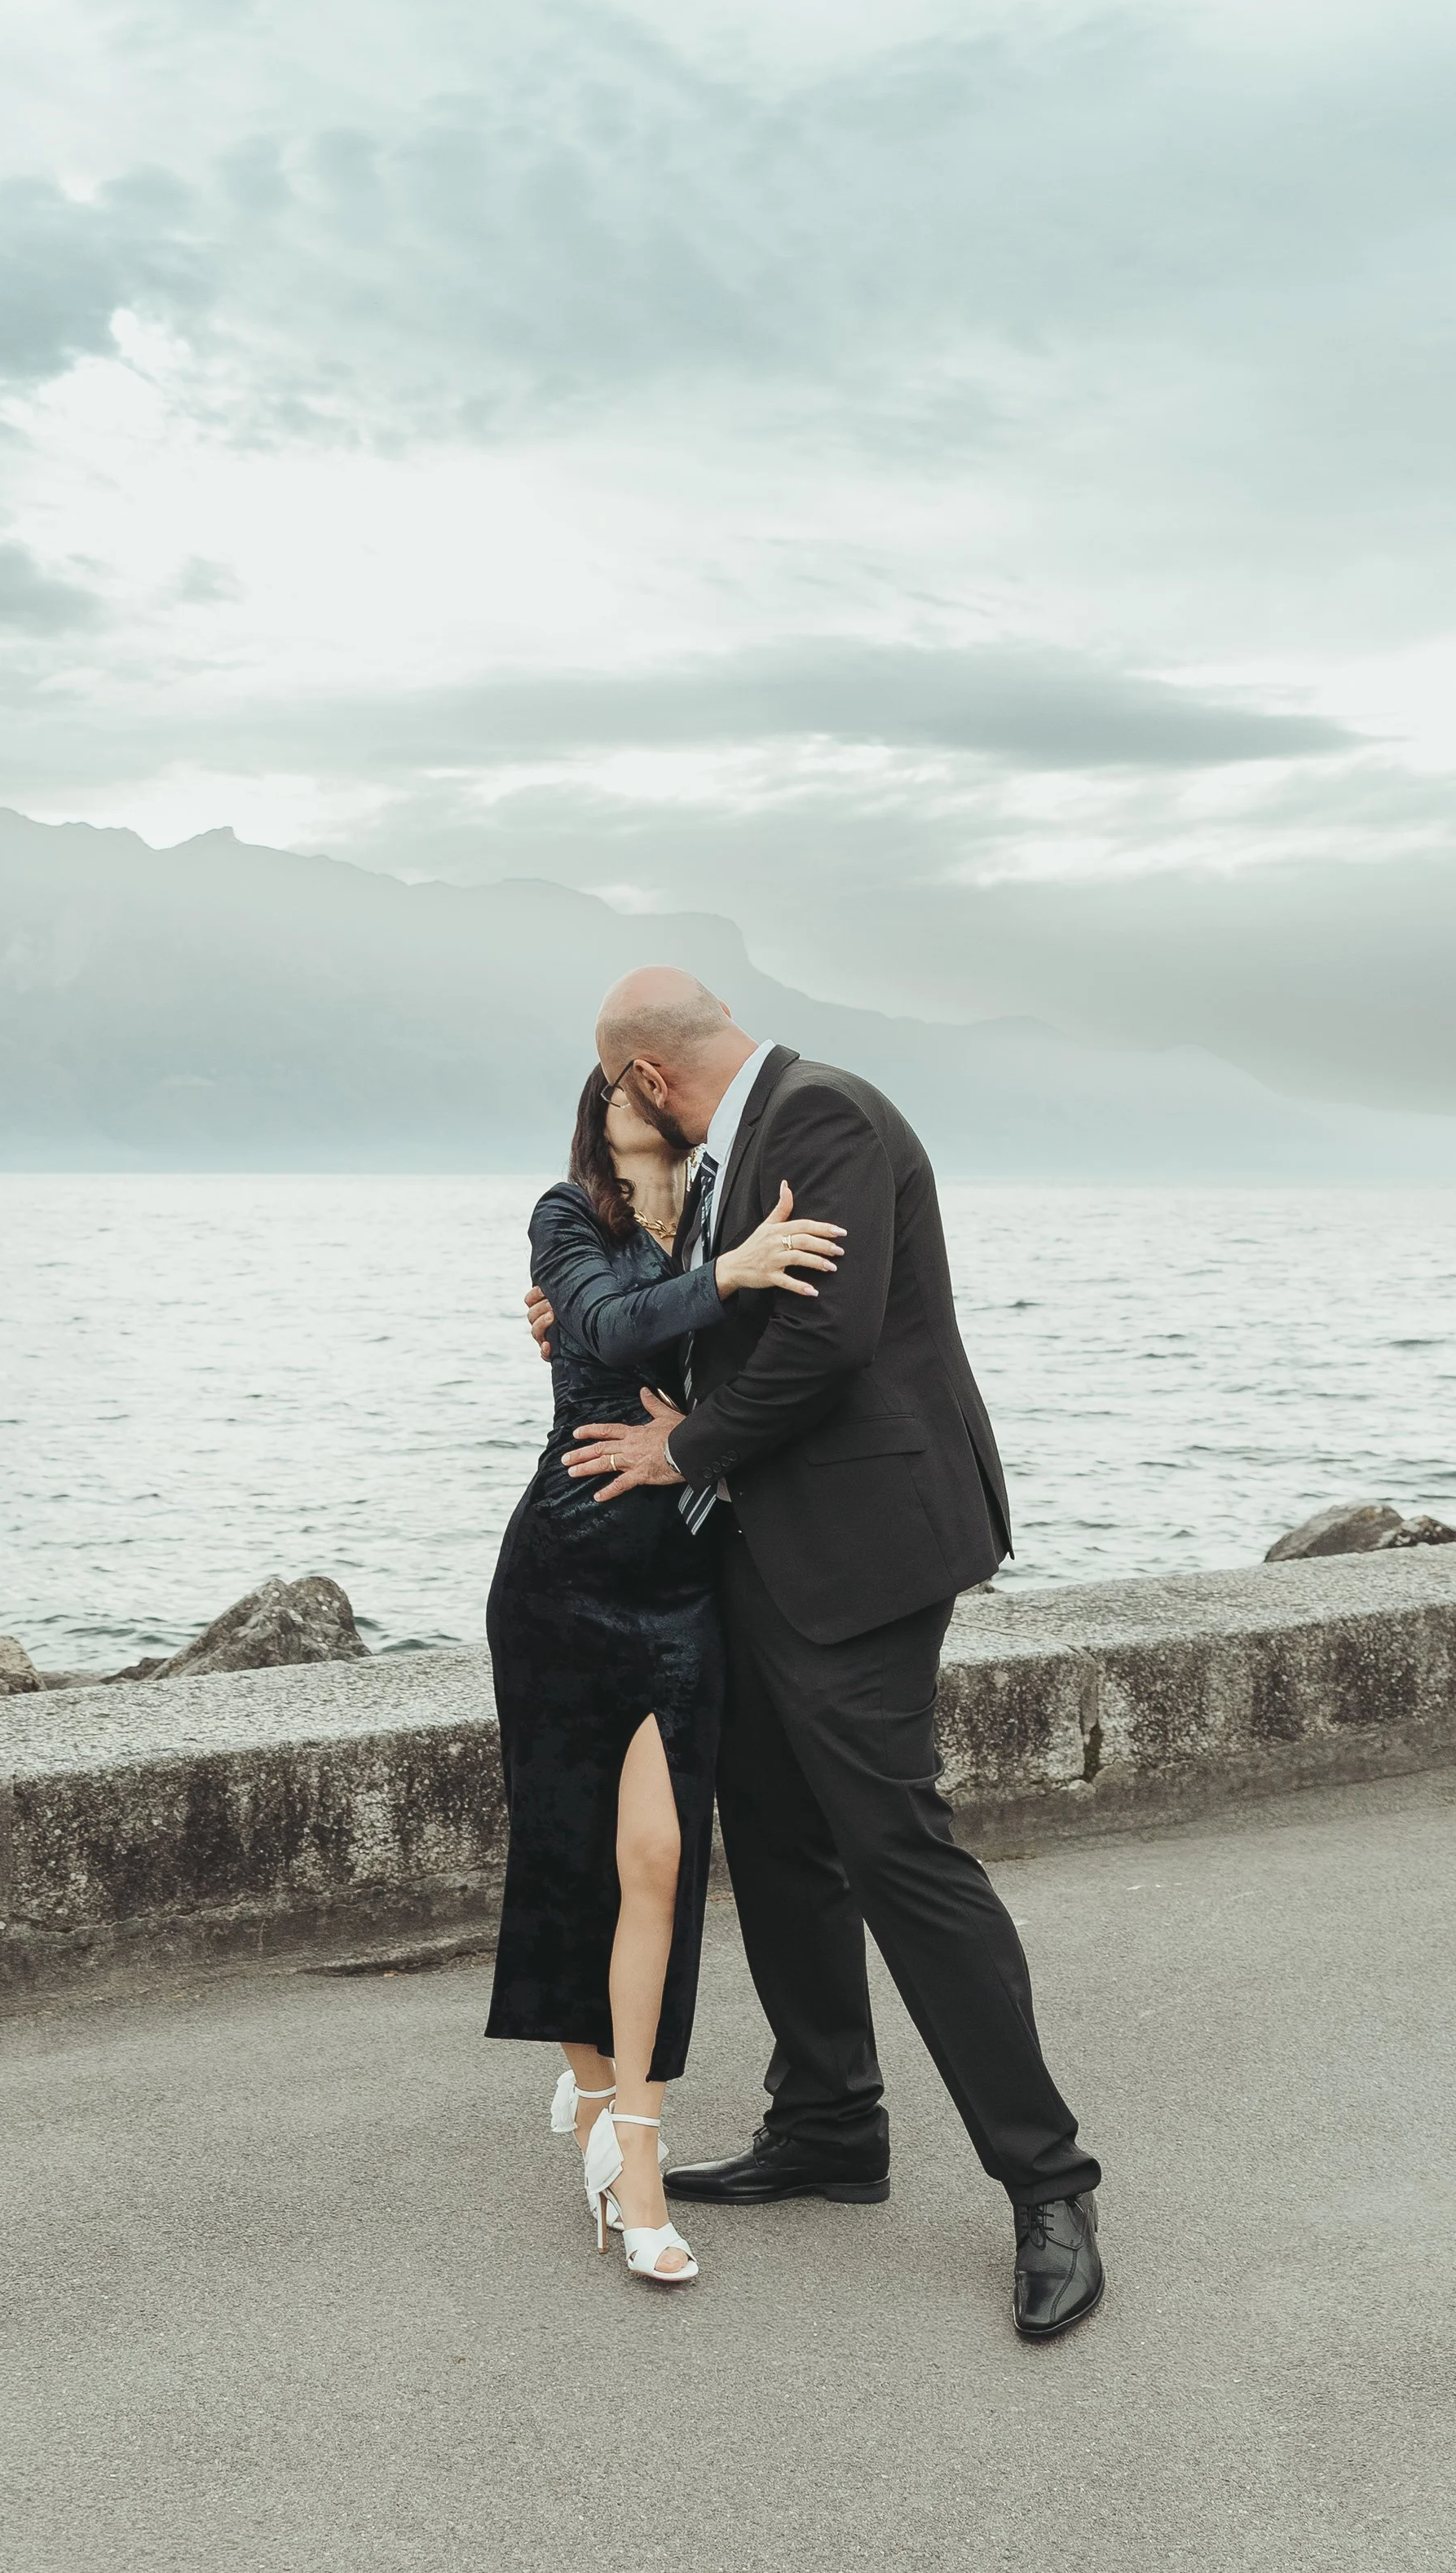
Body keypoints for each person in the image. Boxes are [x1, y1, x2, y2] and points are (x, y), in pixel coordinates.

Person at [547, 967, 1105, 2340]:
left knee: (898, 1854)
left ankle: (1050, 2185)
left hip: (865, 1551)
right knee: (781, 1842)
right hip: (764, 1550)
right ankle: (831, 2126)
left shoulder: (826, 1120)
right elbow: (736, 1328)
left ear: (646, 1082)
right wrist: (596, 1331)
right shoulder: (741, 1153)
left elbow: (831, 1344)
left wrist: (680, 1442)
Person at [485, 1061, 845, 2287]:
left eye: (654, 1076)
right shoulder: (564, 1217)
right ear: (601, 1108)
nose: (638, 1088)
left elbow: (766, 1365)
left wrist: (731, 1267)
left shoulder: (722, 1210)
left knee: (661, 1860)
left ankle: (623, 2130)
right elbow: (594, 1323)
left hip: (683, 1585)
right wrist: (726, 1277)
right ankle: (608, 2116)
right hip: (564, 1571)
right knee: (569, 1849)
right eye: (615, 1078)